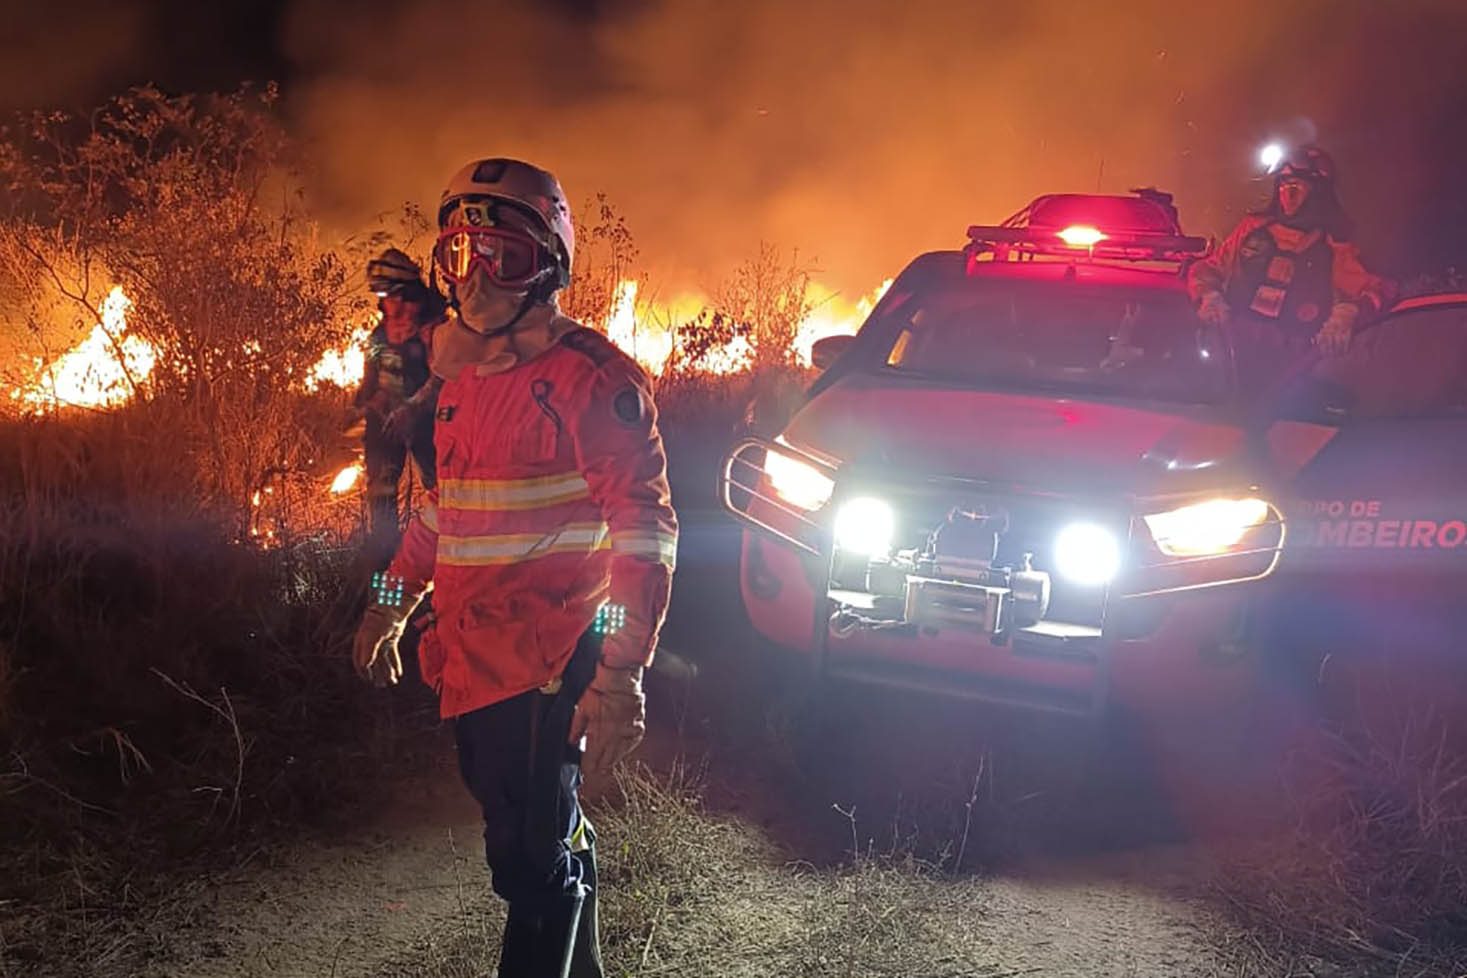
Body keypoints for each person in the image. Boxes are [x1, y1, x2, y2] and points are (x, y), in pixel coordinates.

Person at [351, 159, 679, 977]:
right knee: (531, 827)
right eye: (460, 255)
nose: (477, 279)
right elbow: (443, 514)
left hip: (547, 660)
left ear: (549, 268)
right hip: (472, 658)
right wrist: (388, 602)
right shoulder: (463, 380)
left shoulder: (593, 380)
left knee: (527, 862)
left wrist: (620, 675)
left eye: (505, 257)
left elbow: (643, 531)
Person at [1188, 145, 1391, 390]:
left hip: (1293, 368)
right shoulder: (1251, 229)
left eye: (1297, 187)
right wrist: (1209, 296)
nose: (1288, 195)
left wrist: (1348, 313)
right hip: (1232, 358)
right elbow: (1207, 269)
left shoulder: (1334, 246)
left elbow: (1379, 289)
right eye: (1284, 185)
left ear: (1318, 192)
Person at [355, 248, 447, 556]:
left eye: (391, 296)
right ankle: (385, 557)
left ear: (409, 296)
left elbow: (442, 380)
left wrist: (413, 408)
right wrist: (372, 399)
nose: (386, 305)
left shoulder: (436, 333)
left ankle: (444, 555)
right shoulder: (380, 335)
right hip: (387, 423)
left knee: (442, 488)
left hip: (429, 424)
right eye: (383, 297)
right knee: (381, 491)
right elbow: (372, 375)